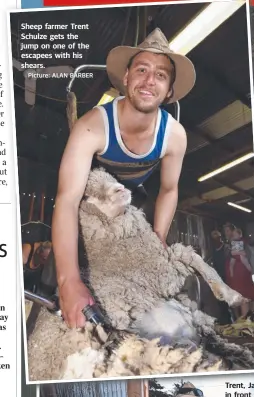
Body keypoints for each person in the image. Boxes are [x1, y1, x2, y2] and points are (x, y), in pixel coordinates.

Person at [52, 28, 196, 328]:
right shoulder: (91, 126)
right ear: (127, 77)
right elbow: (67, 200)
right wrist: (68, 281)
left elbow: (169, 190)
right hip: (90, 200)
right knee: (74, 280)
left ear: (169, 90)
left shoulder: (175, 136)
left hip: (133, 200)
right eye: (142, 69)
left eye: (160, 75)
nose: (149, 80)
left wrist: (157, 238)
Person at [225, 227, 254, 318]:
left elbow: (245, 256)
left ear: (240, 234)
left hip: (242, 274)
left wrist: (247, 265)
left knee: (244, 296)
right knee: (241, 297)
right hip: (238, 275)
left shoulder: (244, 243)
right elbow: (232, 256)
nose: (233, 235)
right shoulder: (233, 244)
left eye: (235, 234)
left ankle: (245, 317)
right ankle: (244, 318)